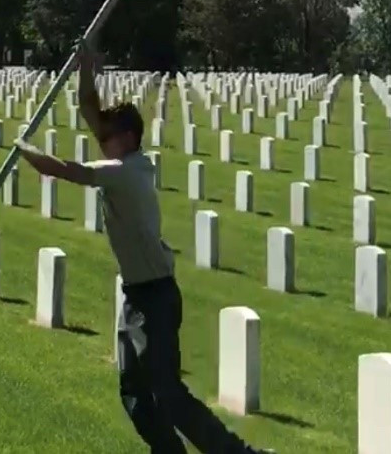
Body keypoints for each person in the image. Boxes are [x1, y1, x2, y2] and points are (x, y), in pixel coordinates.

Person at [14, 42, 273, 454]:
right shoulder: (120, 163)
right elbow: (89, 108)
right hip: (134, 293)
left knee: (167, 392)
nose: (100, 140)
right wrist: (85, 70)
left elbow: (65, 170)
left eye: (107, 135)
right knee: (133, 392)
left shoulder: (127, 172)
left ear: (129, 137)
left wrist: (24, 148)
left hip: (155, 296)